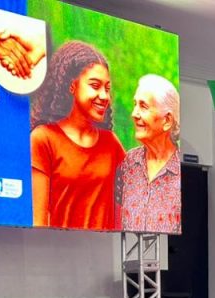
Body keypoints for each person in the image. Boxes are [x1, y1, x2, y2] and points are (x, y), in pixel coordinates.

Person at [30, 40, 125, 229]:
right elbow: (38, 222)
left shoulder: (110, 142)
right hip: (58, 250)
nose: (104, 96)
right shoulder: (43, 139)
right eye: (95, 85)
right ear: (72, 86)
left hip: (105, 250)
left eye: (107, 88)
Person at [116, 74, 181, 234]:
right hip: (127, 250)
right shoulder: (127, 163)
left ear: (167, 121)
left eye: (143, 106)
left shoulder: (180, 170)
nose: (134, 114)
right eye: (135, 104)